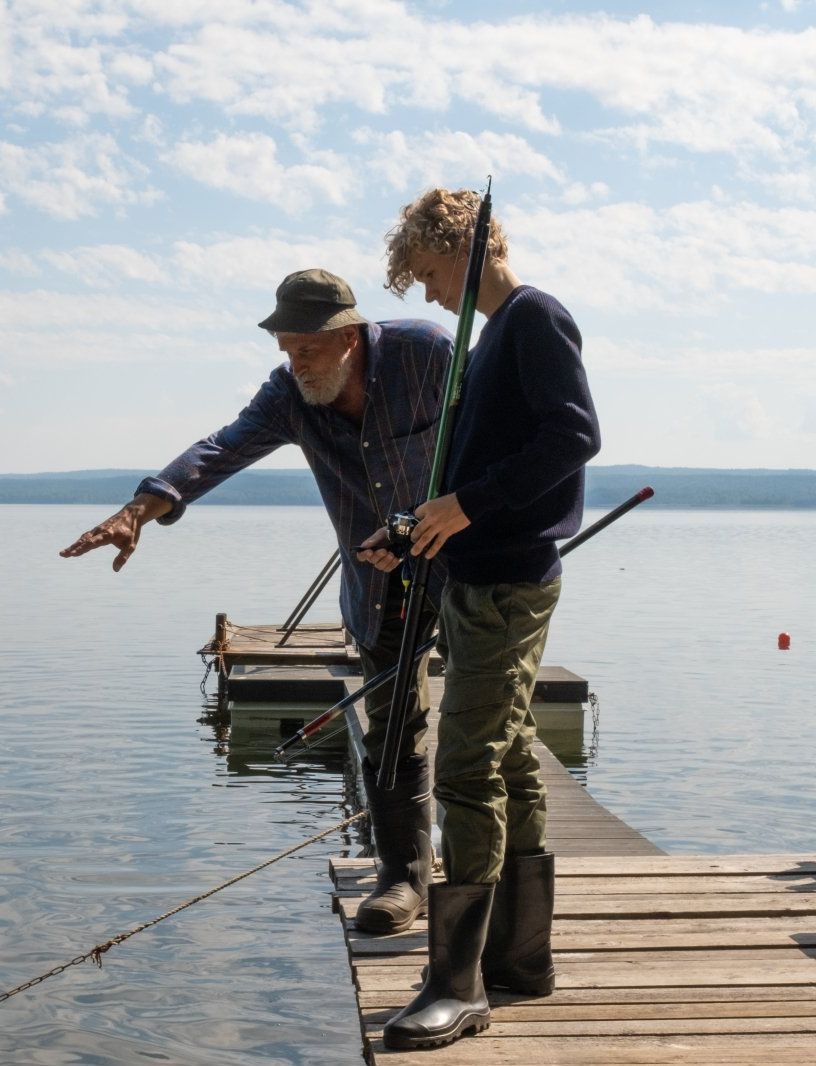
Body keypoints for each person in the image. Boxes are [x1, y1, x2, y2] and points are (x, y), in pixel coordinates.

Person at [60, 268, 455, 937]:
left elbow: (496, 434)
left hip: (468, 564)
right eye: (284, 345)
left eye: (305, 347)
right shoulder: (289, 397)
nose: (291, 359)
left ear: (351, 336)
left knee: (481, 725)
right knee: (392, 733)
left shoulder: (429, 352)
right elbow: (222, 449)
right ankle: (404, 879)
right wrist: (141, 509)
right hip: (379, 584)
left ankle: (483, 875)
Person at [358, 189, 601, 1050]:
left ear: (466, 250)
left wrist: (467, 505)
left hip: (508, 584)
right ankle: (521, 958)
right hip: (477, 575)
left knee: (463, 769)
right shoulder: (495, 334)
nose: (425, 295)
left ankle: (456, 984)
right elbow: (480, 467)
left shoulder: (535, 319)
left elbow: (573, 438)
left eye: (428, 274)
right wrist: (417, 530)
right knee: (510, 758)